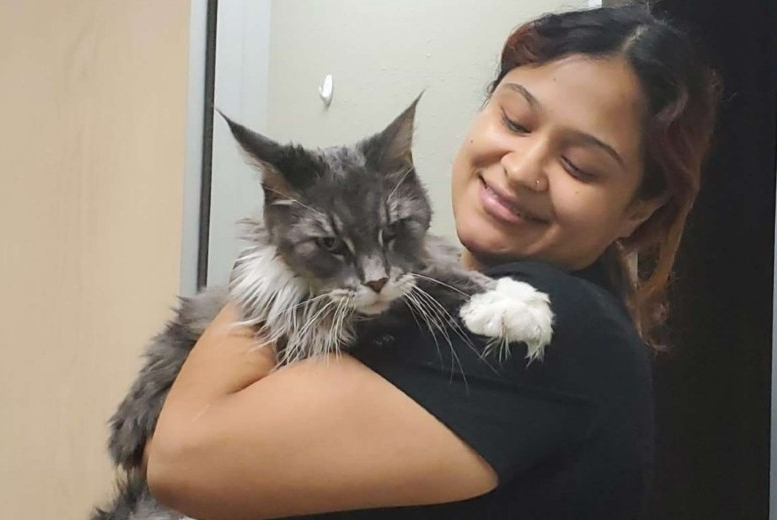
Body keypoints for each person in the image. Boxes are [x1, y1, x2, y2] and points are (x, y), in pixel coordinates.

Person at [145, 5, 720, 519]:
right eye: (515, 121)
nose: (521, 169)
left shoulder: (553, 326)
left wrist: (279, 265)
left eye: (578, 165)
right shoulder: (449, 293)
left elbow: (183, 460)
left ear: (636, 214)